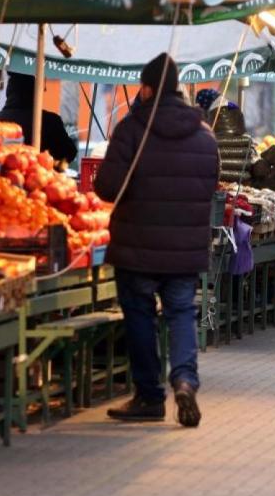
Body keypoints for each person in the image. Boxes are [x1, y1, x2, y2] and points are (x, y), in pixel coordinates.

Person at [94, 54, 219, 426]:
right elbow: (212, 185)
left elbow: (106, 188)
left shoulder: (131, 128)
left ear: (147, 88)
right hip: (185, 247)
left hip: (137, 245)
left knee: (140, 317)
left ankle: (149, 396)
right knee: (181, 312)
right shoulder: (203, 133)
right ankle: (184, 380)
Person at [0, 72, 78, 166]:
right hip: (43, 176)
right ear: (35, 92)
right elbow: (70, 153)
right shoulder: (50, 121)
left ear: (9, 92)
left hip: (1, 176)